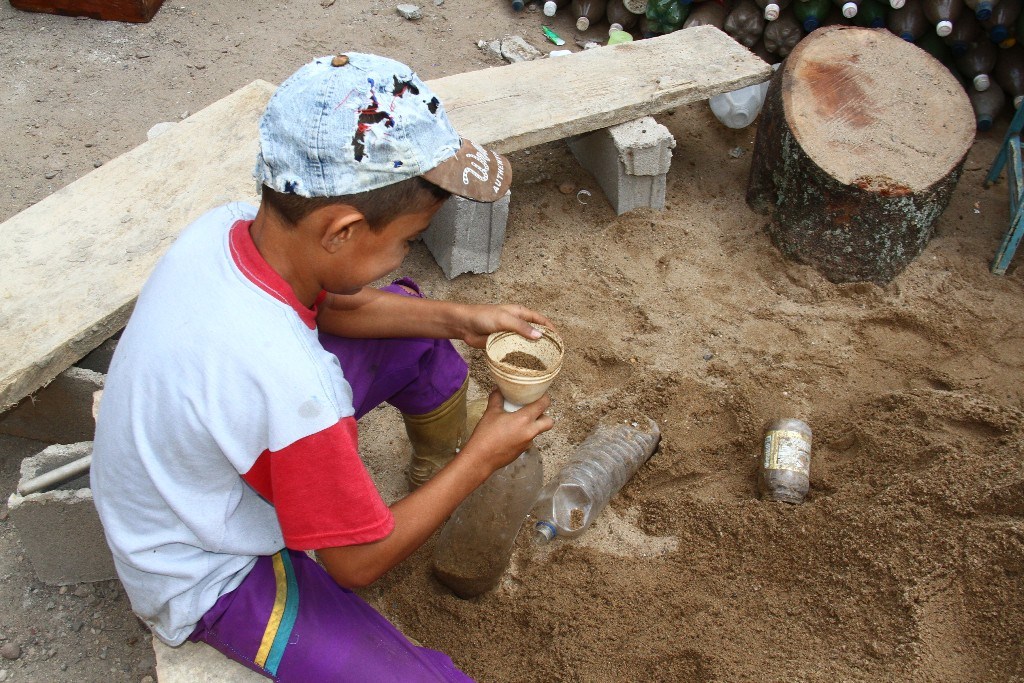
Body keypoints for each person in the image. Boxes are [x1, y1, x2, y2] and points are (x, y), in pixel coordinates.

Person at [90, 53, 555, 682]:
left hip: (206, 452)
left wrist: (460, 318)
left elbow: (333, 307)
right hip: (204, 567)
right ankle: (440, 479)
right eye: (404, 241)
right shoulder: (294, 388)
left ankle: (430, 472)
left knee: (413, 323)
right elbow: (357, 565)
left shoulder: (229, 226)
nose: (404, 253)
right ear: (342, 230)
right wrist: (481, 459)